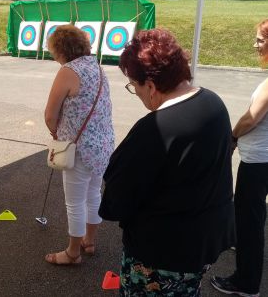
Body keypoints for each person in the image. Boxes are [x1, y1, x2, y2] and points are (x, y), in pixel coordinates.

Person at [99, 28, 235, 296]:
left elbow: (115, 202)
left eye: (133, 87)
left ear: (150, 86)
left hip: (161, 252)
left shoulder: (154, 129)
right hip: (203, 241)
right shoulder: (213, 102)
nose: (136, 93)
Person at [44, 25, 115, 265]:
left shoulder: (68, 71)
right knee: (93, 193)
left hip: (79, 148)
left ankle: (73, 253)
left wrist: (54, 132)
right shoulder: (96, 67)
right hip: (102, 146)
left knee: (74, 201)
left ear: (61, 49)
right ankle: (90, 241)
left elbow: (50, 114)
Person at [211, 19, 268, 297]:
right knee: (253, 215)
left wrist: (232, 137)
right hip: (262, 159)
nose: (255, 45)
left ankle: (246, 283)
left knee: (250, 222)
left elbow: (251, 118)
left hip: (259, 162)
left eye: (260, 40)